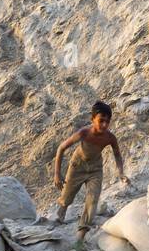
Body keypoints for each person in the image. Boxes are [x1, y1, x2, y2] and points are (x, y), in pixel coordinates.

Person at [52, 100, 128, 243]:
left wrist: (121, 173)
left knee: (92, 199)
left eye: (107, 121)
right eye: (101, 121)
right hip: (77, 165)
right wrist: (57, 173)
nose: (104, 125)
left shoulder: (110, 137)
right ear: (92, 119)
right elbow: (61, 148)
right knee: (68, 194)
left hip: (95, 169)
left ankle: (81, 233)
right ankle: (61, 211)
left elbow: (117, 154)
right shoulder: (83, 133)